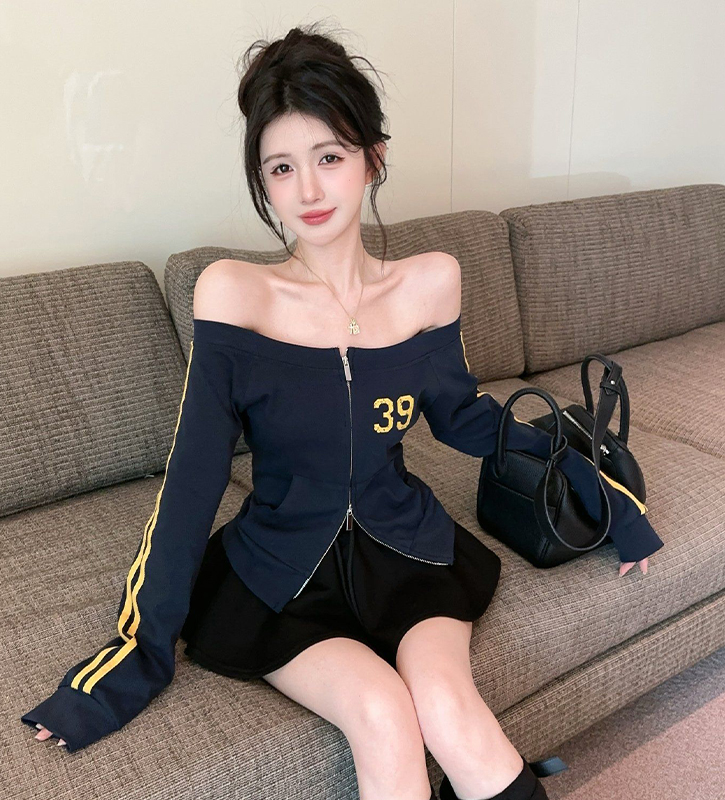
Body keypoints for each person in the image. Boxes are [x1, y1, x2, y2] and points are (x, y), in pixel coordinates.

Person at [23, 21, 660, 800]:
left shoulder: (430, 282)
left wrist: (604, 496)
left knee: (448, 707)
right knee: (382, 713)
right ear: (263, 183)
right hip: (279, 570)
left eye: (329, 157)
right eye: (281, 168)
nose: (309, 191)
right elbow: (191, 481)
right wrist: (129, 660)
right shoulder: (234, 294)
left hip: (410, 548)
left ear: (372, 158)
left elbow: (463, 418)